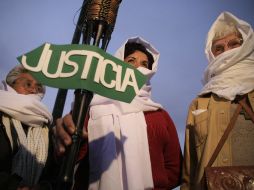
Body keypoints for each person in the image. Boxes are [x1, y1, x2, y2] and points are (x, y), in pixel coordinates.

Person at [53, 36, 182, 190]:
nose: (137, 67)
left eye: (144, 64)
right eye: (131, 61)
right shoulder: (92, 107)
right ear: (118, 65)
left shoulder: (160, 115)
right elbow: (71, 156)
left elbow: (174, 170)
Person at [181, 11, 254, 189]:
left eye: (234, 44)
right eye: (219, 49)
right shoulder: (199, 104)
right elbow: (189, 173)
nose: (226, 52)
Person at [0, 65, 55, 190]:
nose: (34, 90)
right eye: (28, 84)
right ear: (11, 85)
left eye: (38, 87)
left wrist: (43, 187)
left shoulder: (45, 128)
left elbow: (52, 173)